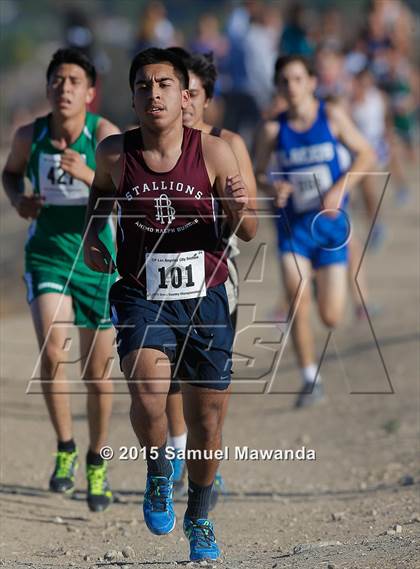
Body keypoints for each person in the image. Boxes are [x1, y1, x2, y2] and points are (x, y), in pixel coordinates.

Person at [83, 48, 257, 561]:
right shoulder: (116, 153)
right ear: (133, 98)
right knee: (150, 393)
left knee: (207, 424)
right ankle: (159, 473)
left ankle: (199, 514)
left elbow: (246, 231)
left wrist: (238, 204)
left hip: (206, 298)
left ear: (185, 97)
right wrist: (96, 233)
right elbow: (99, 195)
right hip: (142, 294)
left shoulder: (215, 152)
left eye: (163, 85)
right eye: (143, 86)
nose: (153, 93)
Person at [2, 48, 120, 511]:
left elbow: (126, 190)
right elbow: (9, 175)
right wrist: (19, 200)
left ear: (90, 92)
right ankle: (66, 448)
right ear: (48, 88)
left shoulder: (105, 136)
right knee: (53, 349)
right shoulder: (29, 136)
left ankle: (97, 459)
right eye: (57, 80)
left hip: (97, 259)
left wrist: (88, 172)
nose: (64, 87)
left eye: (74, 81)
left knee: (97, 375)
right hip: (48, 255)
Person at [165, 47, 257, 506]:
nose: (183, 103)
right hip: (160, 278)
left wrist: (237, 205)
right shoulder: (152, 144)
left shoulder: (228, 145)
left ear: (203, 99)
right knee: (165, 374)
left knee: (207, 378)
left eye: (192, 95)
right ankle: (180, 454)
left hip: (219, 270)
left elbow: (252, 225)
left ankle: (206, 454)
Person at [255, 54, 374, 408]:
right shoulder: (272, 130)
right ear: (277, 87)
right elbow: (257, 172)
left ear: (311, 82)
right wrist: (271, 186)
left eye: (297, 79)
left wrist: (341, 187)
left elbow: (366, 154)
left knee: (331, 315)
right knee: (296, 298)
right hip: (294, 229)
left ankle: (323, 279)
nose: (290, 87)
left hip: (330, 229)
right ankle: (310, 377)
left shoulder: (332, 116)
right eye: (284, 81)